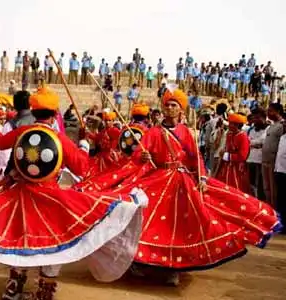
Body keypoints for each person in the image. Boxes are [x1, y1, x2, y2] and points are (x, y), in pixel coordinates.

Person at [0, 87, 148, 300]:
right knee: (53, 239)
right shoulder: (60, 139)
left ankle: (14, 285)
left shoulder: (22, 131)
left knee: (20, 237)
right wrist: (85, 144)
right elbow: (83, 167)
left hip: (20, 194)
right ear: (54, 112)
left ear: (34, 110)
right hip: (49, 196)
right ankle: (45, 290)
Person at [73, 86, 281, 286]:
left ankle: (174, 269)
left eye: (174, 105)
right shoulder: (154, 132)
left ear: (181, 109)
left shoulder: (186, 132)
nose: (170, 108)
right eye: (168, 104)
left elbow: (196, 159)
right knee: (147, 221)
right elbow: (138, 157)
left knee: (184, 224)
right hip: (158, 179)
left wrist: (200, 177)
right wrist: (143, 156)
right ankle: (142, 262)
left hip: (182, 182)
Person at [214, 113, 250, 193]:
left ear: (237, 125)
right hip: (226, 166)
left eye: (231, 124)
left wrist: (226, 155)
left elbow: (243, 156)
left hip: (237, 169)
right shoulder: (229, 134)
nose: (229, 125)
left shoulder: (243, 137)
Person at [262, 103, 284, 207]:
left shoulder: (281, 126)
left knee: (273, 188)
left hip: (273, 161)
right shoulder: (271, 126)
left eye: (271, 111)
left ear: (278, 111)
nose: (268, 113)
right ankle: (268, 209)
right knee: (266, 188)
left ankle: (274, 211)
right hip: (265, 160)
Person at [247, 108, 268, 199]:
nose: (255, 120)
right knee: (250, 184)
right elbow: (246, 141)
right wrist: (256, 144)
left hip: (260, 161)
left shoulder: (268, 128)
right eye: (254, 118)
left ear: (264, 118)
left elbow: (262, 140)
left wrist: (252, 143)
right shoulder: (250, 130)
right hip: (249, 160)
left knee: (260, 186)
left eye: (257, 118)